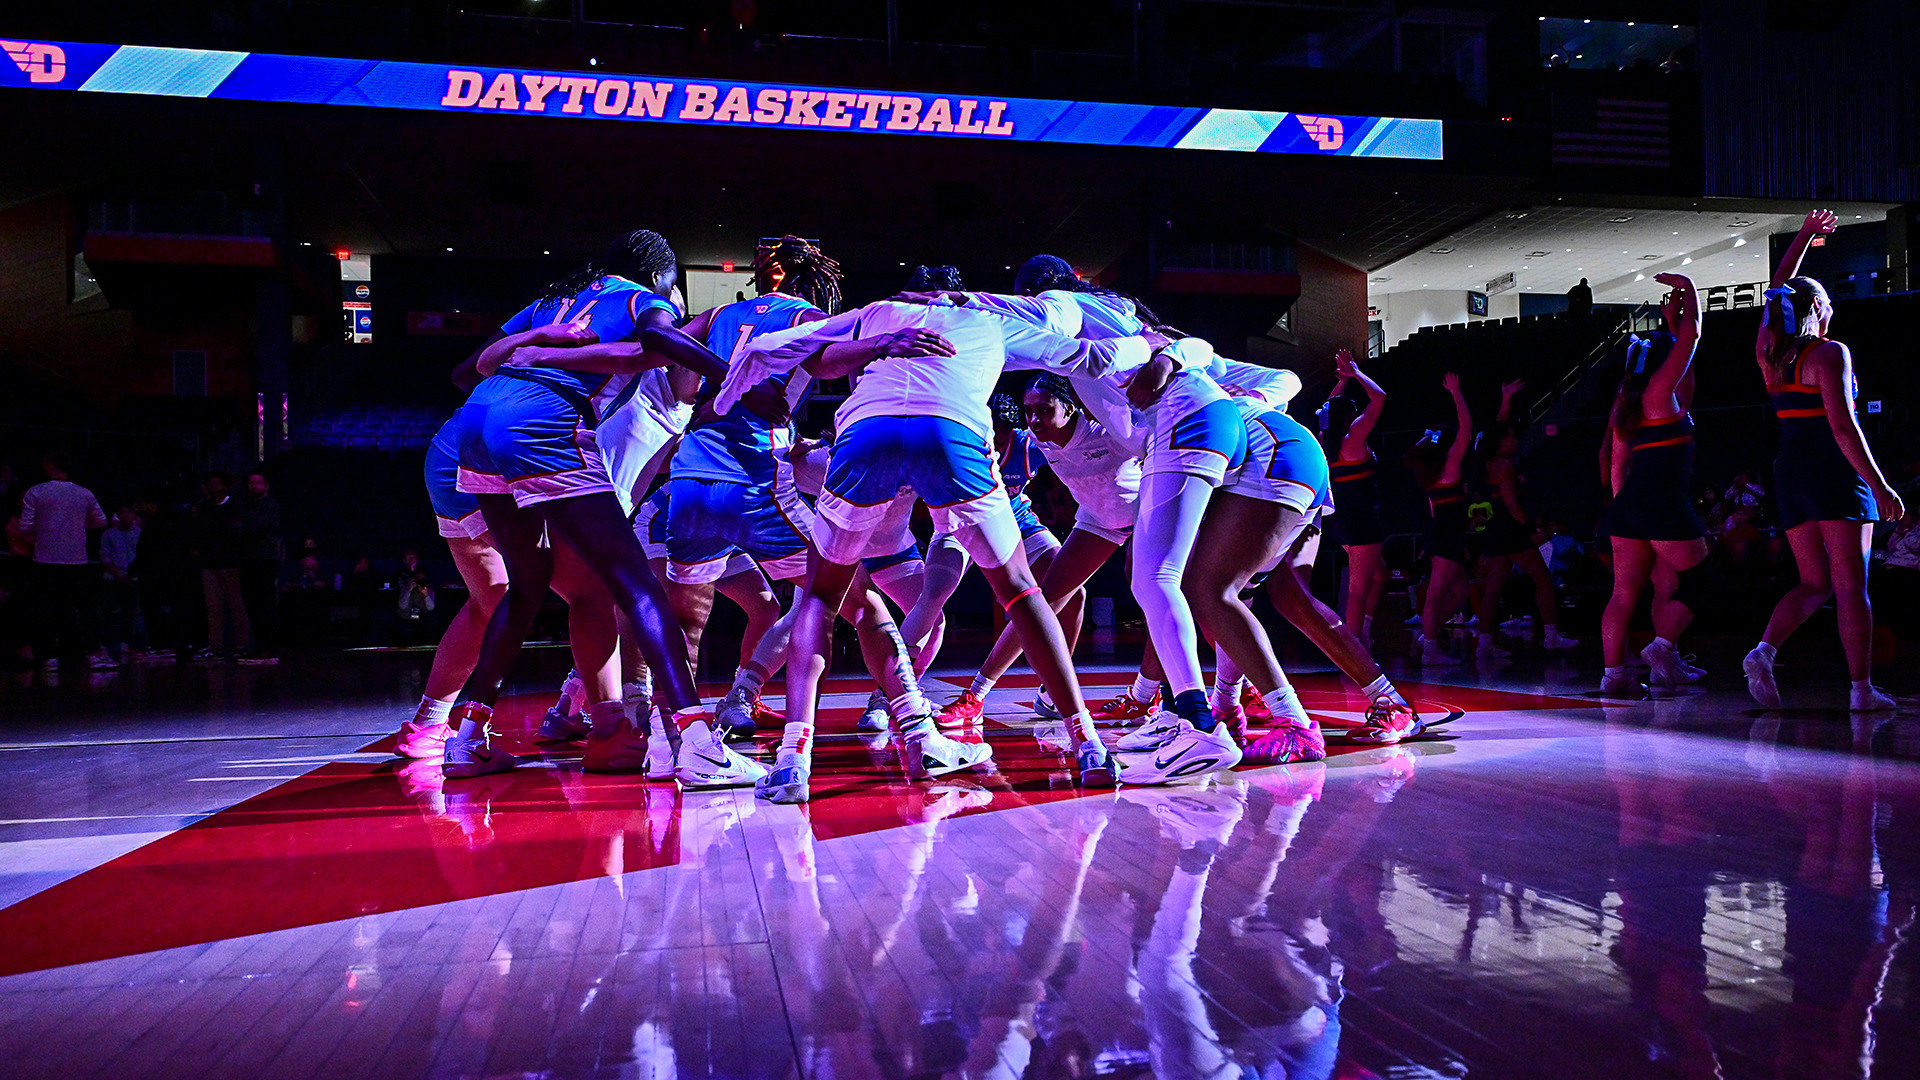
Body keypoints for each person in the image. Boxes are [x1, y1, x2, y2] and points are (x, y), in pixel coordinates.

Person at [717, 289, 1168, 799]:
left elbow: (784, 347)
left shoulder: (877, 311)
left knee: (820, 598)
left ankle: (793, 761)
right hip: (949, 435)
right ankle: (1087, 744)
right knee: (1022, 591)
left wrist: (730, 391)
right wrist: (1144, 345)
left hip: (866, 435)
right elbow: (1092, 357)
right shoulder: (993, 323)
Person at [438, 229, 729, 779]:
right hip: (543, 422)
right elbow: (662, 340)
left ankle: (467, 740)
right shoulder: (645, 298)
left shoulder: (552, 300)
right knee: (637, 584)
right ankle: (697, 742)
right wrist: (734, 375)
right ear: (660, 275)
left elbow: (462, 372)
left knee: (527, 583)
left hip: (476, 422)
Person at [1743, 210, 1904, 711]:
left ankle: (1765, 650)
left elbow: (1777, 289)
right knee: (1851, 586)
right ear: (1817, 307)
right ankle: (1861, 691)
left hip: (1789, 472)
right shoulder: (1829, 353)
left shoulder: (1768, 351)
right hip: (1834, 472)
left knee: (1813, 582)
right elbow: (1842, 427)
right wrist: (1879, 484)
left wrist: (1806, 237)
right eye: (1828, 304)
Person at [934, 374, 1140, 728]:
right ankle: (978, 696)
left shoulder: (1109, 431)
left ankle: (1168, 695)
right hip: (1097, 522)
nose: (1034, 420)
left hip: (1145, 517)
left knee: (1168, 597)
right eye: (1029, 412)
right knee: (1038, 601)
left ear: (1070, 406)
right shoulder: (1037, 442)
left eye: (1043, 410)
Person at [1599, 273, 1709, 695]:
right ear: (1665, 366)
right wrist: (1689, 291)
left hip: (1628, 506)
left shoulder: (1627, 405)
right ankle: (1662, 648)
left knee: (1624, 594)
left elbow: (1616, 466)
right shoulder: (1660, 396)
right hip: (1663, 503)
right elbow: (1694, 336)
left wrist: (1670, 327)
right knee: (1700, 580)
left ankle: (1614, 676)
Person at [1472, 380, 1578, 657]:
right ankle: (1552, 636)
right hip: (1511, 529)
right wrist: (1532, 528)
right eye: (1510, 437)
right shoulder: (1504, 464)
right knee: (1543, 580)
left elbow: (1498, 428)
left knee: (1494, 588)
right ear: (1501, 442)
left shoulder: (1490, 459)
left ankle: (1484, 643)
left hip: (1497, 530)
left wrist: (1505, 399)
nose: (1515, 439)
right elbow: (1511, 503)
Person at [1319, 349, 1388, 648]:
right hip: (1362, 521)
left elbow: (1326, 409)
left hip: (1343, 522)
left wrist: (1343, 382)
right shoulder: (1354, 437)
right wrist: (1357, 374)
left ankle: (1365, 633)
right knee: (1358, 591)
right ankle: (1354, 649)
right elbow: (1380, 398)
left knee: (1379, 576)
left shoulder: (1327, 440)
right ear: (1349, 416)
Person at [1407, 374, 1475, 667]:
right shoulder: (1448, 465)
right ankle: (1431, 647)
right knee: (1436, 593)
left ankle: (1429, 633)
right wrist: (1456, 394)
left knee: (1460, 588)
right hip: (1446, 534)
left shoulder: (1430, 471)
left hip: (1447, 533)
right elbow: (1466, 430)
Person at [19, 451, 108, 671]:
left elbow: (24, 527)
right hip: (76, 559)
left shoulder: (37, 491)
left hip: (45, 559)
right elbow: (101, 521)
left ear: (49, 466)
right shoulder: (84, 493)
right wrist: (75, 526)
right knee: (83, 608)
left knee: (48, 608)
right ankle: (93, 654)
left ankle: (50, 657)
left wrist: (44, 532)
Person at [192, 472, 249, 661]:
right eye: (211, 483)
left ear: (225, 485)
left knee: (236, 604)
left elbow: (239, 532)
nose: (214, 487)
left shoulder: (235, 506)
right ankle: (215, 645)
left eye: (218, 483)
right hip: (210, 563)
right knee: (213, 606)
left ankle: (242, 643)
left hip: (231, 562)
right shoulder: (204, 507)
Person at [234, 472, 282, 661]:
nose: (254, 486)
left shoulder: (271, 506)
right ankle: (258, 645)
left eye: (258, 482)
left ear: (266, 485)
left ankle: (268, 646)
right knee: (252, 605)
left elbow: (253, 528)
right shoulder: (244, 506)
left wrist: (243, 528)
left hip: (264, 560)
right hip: (247, 560)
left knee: (265, 604)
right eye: (251, 483)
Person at [98, 505, 143, 665]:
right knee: (106, 612)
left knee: (129, 612)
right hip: (112, 577)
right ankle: (103, 644)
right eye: (122, 513)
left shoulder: (140, 534)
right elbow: (105, 555)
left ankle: (125, 643)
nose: (125, 516)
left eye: (128, 512)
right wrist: (117, 573)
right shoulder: (109, 534)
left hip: (133, 577)